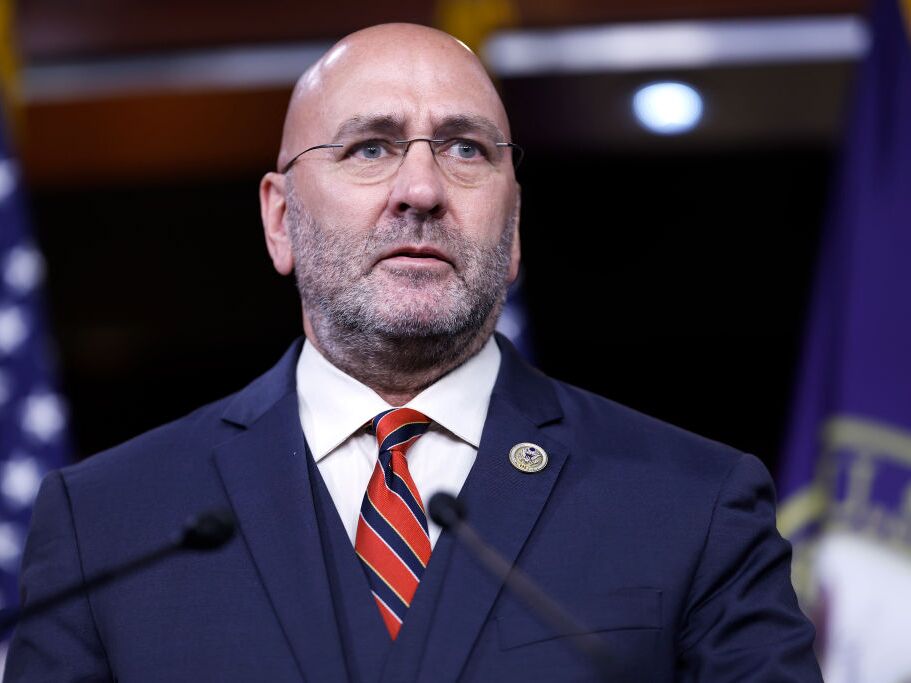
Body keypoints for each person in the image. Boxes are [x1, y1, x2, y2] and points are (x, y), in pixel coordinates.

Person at [5, 23, 822, 683]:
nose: (421, 189)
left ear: (512, 229)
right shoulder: (110, 524)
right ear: (280, 219)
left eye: (465, 148)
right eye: (370, 147)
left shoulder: (692, 505)